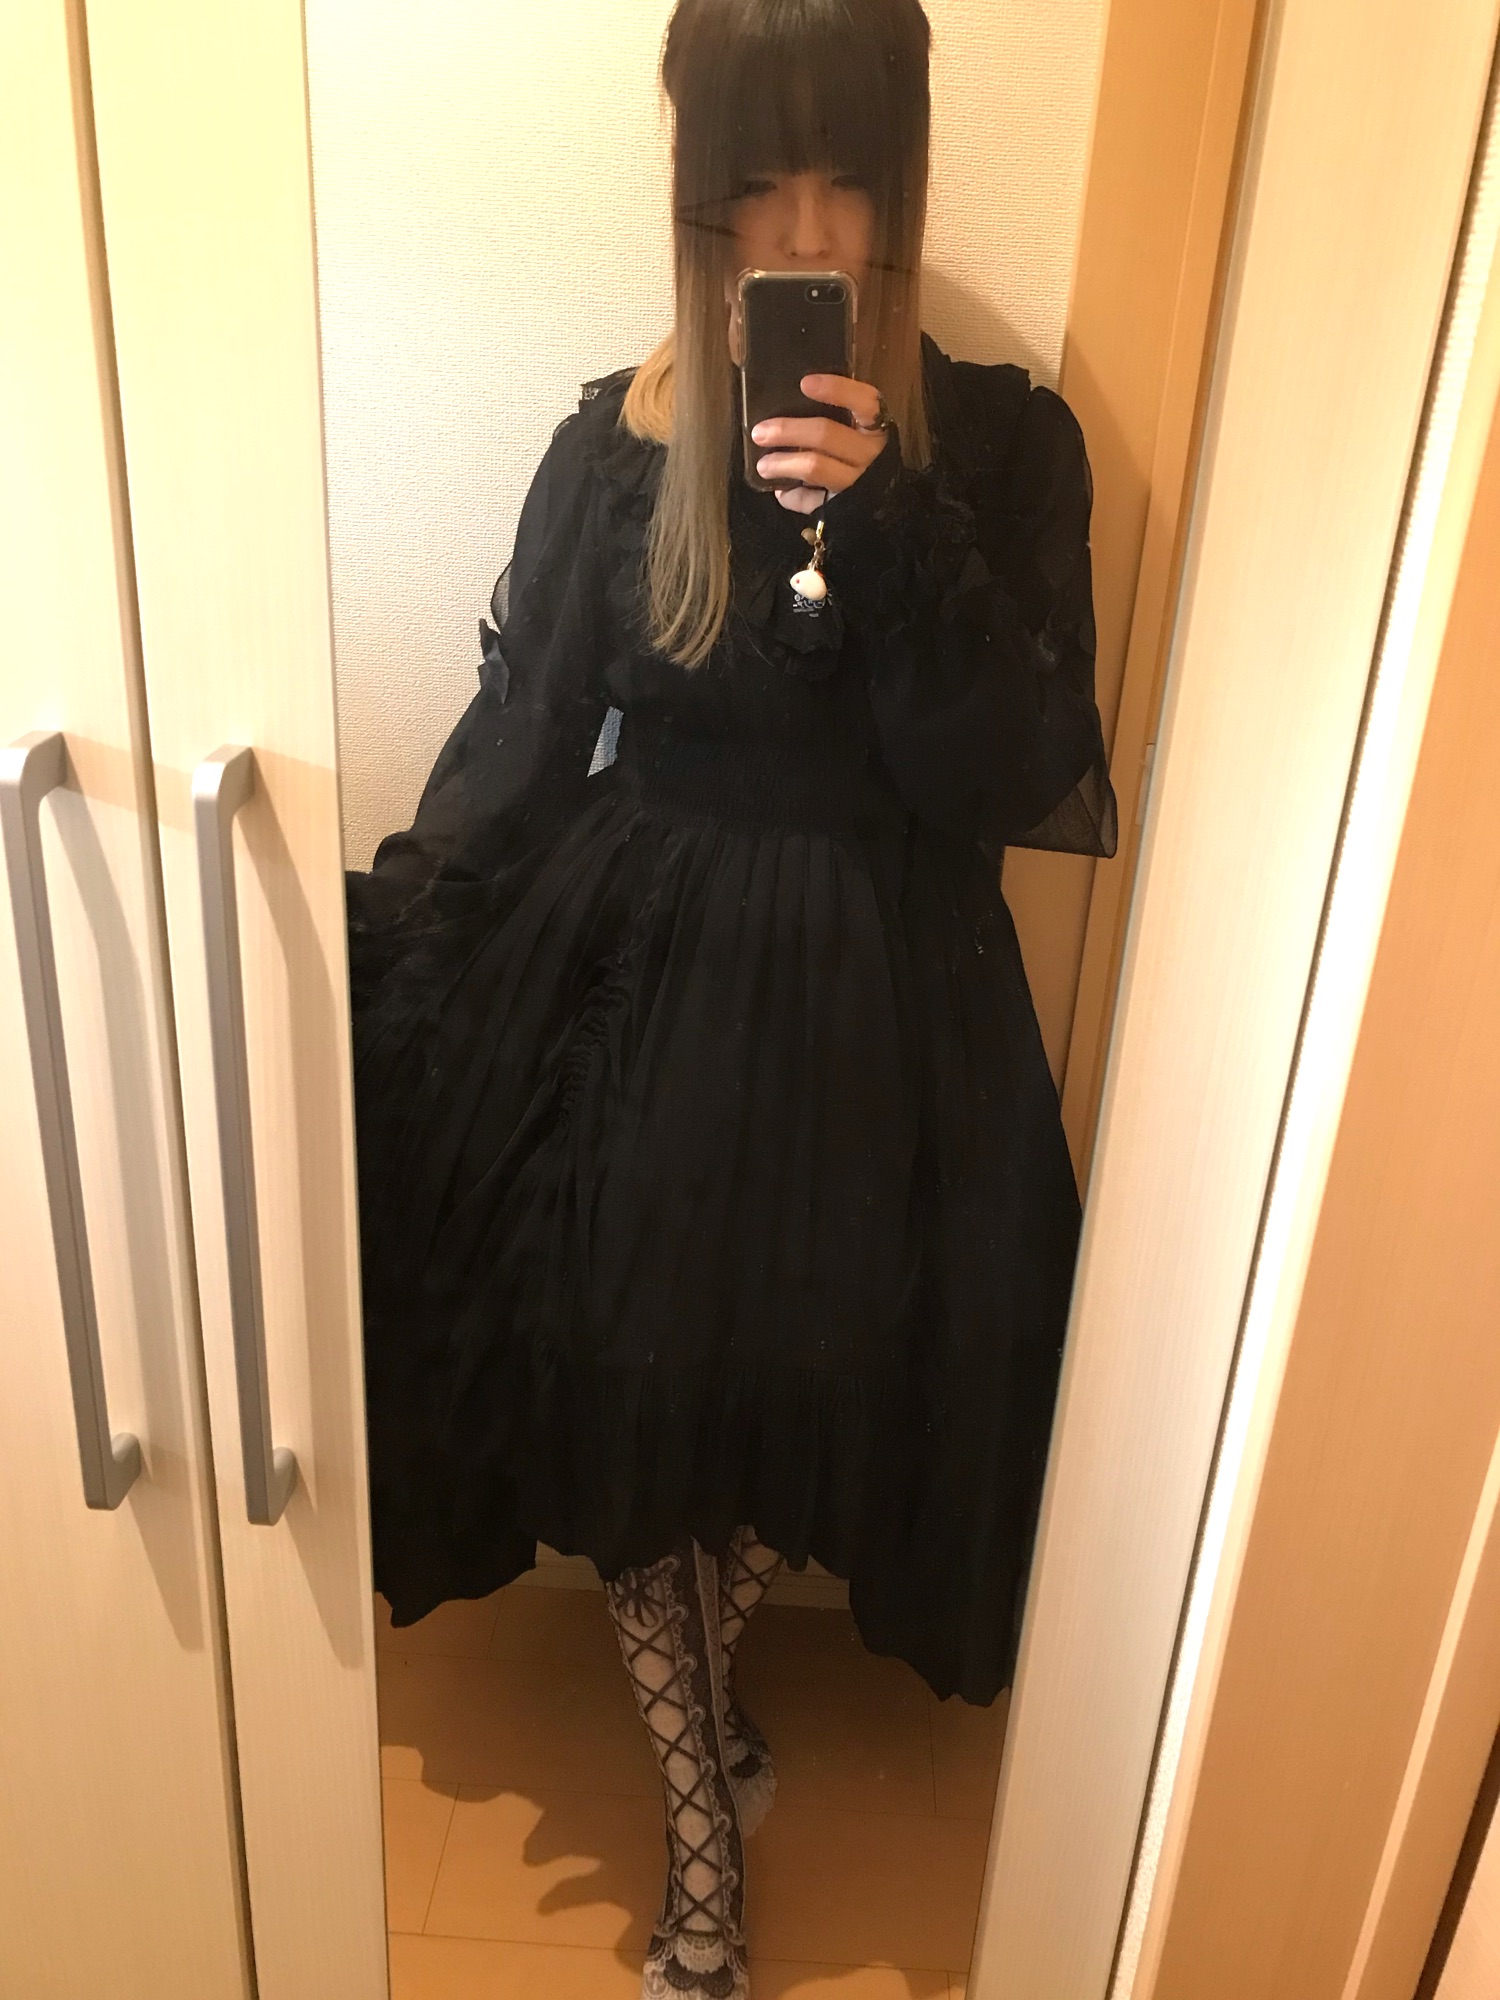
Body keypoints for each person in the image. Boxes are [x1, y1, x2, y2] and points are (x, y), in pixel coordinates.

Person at [346, 0, 1117, 1993]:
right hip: (641, 983)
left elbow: (1008, 769)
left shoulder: (1002, 443)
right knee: (620, 1370)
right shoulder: (613, 444)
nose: (808, 224)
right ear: (696, 191)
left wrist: (882, 520)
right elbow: (525, 740)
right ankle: (706, 1838)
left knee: (832, 1378)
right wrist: (397, 945)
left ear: (905, 172)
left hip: (889, 992)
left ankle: (715, 1710)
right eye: (758, 178)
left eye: (849, 171)